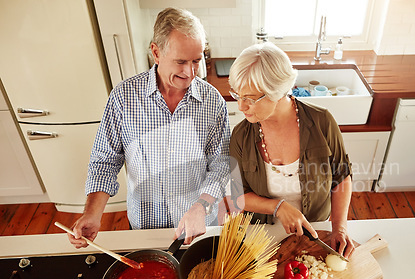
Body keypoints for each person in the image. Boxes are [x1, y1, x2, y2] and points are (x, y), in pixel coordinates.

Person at [68, 7, 230, 248]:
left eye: (196, 61)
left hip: (197, 224)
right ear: (156, 52)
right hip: (144, 224)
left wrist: (201, 206)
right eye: (180, 61)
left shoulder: (213, 100)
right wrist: (93, 213)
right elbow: (105, 160)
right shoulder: (124, 97)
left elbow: (221, 164)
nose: (189, 72)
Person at [228, 42, 355, 258]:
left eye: (250, 99)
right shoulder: (241, 136)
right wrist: (277, 207)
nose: (241, 106)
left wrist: (339, 228)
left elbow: (341, 177)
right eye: (237, 95)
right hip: (263, 234)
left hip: (315, 229)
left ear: (276, 92)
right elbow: (238, 196)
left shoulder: (321, 122)